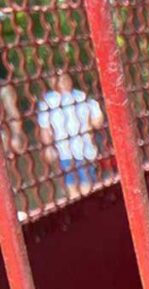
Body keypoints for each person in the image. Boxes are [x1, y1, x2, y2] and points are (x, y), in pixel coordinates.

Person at [37, 72, 104, 200]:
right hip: (64, 152)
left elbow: (96, 121)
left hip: (84, 149)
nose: (63, 82)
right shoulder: (48, 102)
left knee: (87, 184)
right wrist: (48, 147)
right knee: (72, 186)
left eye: (66, 78)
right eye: (59, 79)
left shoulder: (81, 97)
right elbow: (45, 128)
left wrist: (98, 114)